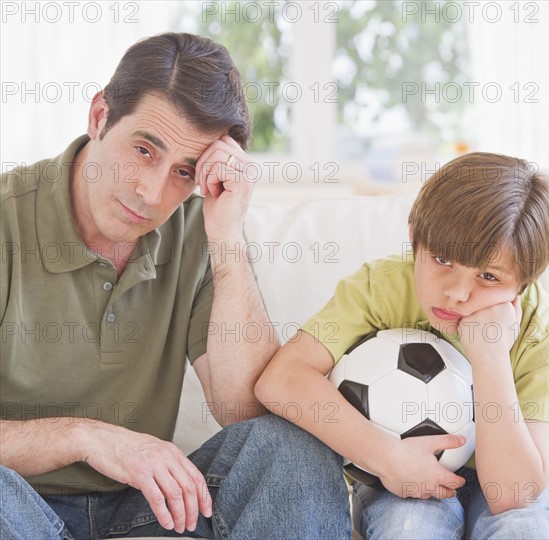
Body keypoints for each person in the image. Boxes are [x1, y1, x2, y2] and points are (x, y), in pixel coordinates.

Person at [0, 33, 351, 539]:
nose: (151, 192)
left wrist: (227, 239)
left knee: (291, 444)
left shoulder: (197, 230)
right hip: (18, 508)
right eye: (144, 150)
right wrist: (86, 437)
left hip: (148, 514)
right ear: (99, 116)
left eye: (183, 172)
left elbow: (244, 412)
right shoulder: (10, 217)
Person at [255, 152, 549, 539]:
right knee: (409, 528)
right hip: (407, 468)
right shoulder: (381, 287)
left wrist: (491, 358)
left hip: (523, 480)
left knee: (527, 529)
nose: (457, 293)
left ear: (525, 282)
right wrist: (389, 457)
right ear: (414, 237)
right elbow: (281, 380)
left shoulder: (548, 334)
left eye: (488, 276)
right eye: (442, 259)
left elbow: (512, 494)